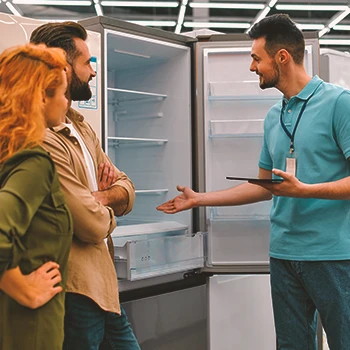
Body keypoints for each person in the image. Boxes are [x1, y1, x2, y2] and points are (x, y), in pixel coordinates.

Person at [157, 13, 350, 350]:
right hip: (284, 255)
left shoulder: (339, 104)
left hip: (332, 256)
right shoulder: (275, 116)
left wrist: (305, 191)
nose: (251, 67)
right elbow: (264, 186)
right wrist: (199, 199)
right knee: (291, 345)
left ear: (282, 57)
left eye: (256, 58)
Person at [30, 22, 140, 350]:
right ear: (64, 68)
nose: (93, 71)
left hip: (103, 287)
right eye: (87, 63)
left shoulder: (80, 126)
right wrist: (108, 206)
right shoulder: (41, 138)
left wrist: (102, 197)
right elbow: (90, 225)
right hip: (72, 291)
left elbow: (127, 186)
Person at [0, 44, 72, 349]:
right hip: (31, 328)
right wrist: (22, 288)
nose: (67, 103)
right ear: (43, 95)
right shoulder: (34, 163)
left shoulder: (8, 155)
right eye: (64, 93)